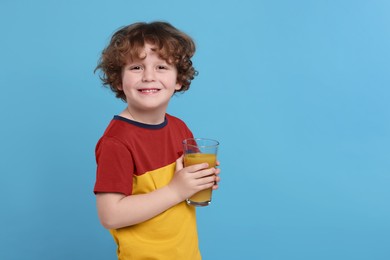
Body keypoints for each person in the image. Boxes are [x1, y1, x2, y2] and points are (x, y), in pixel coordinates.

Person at [93, 21, 221, 260]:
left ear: (178, 80)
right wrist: (176, 190)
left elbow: (183, 191)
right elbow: (109, 215)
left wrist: (198, 182)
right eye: (136, 68)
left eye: (161, 66)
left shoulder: (180, 128)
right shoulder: (116, 141)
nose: (149, 76)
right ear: (119, 81)